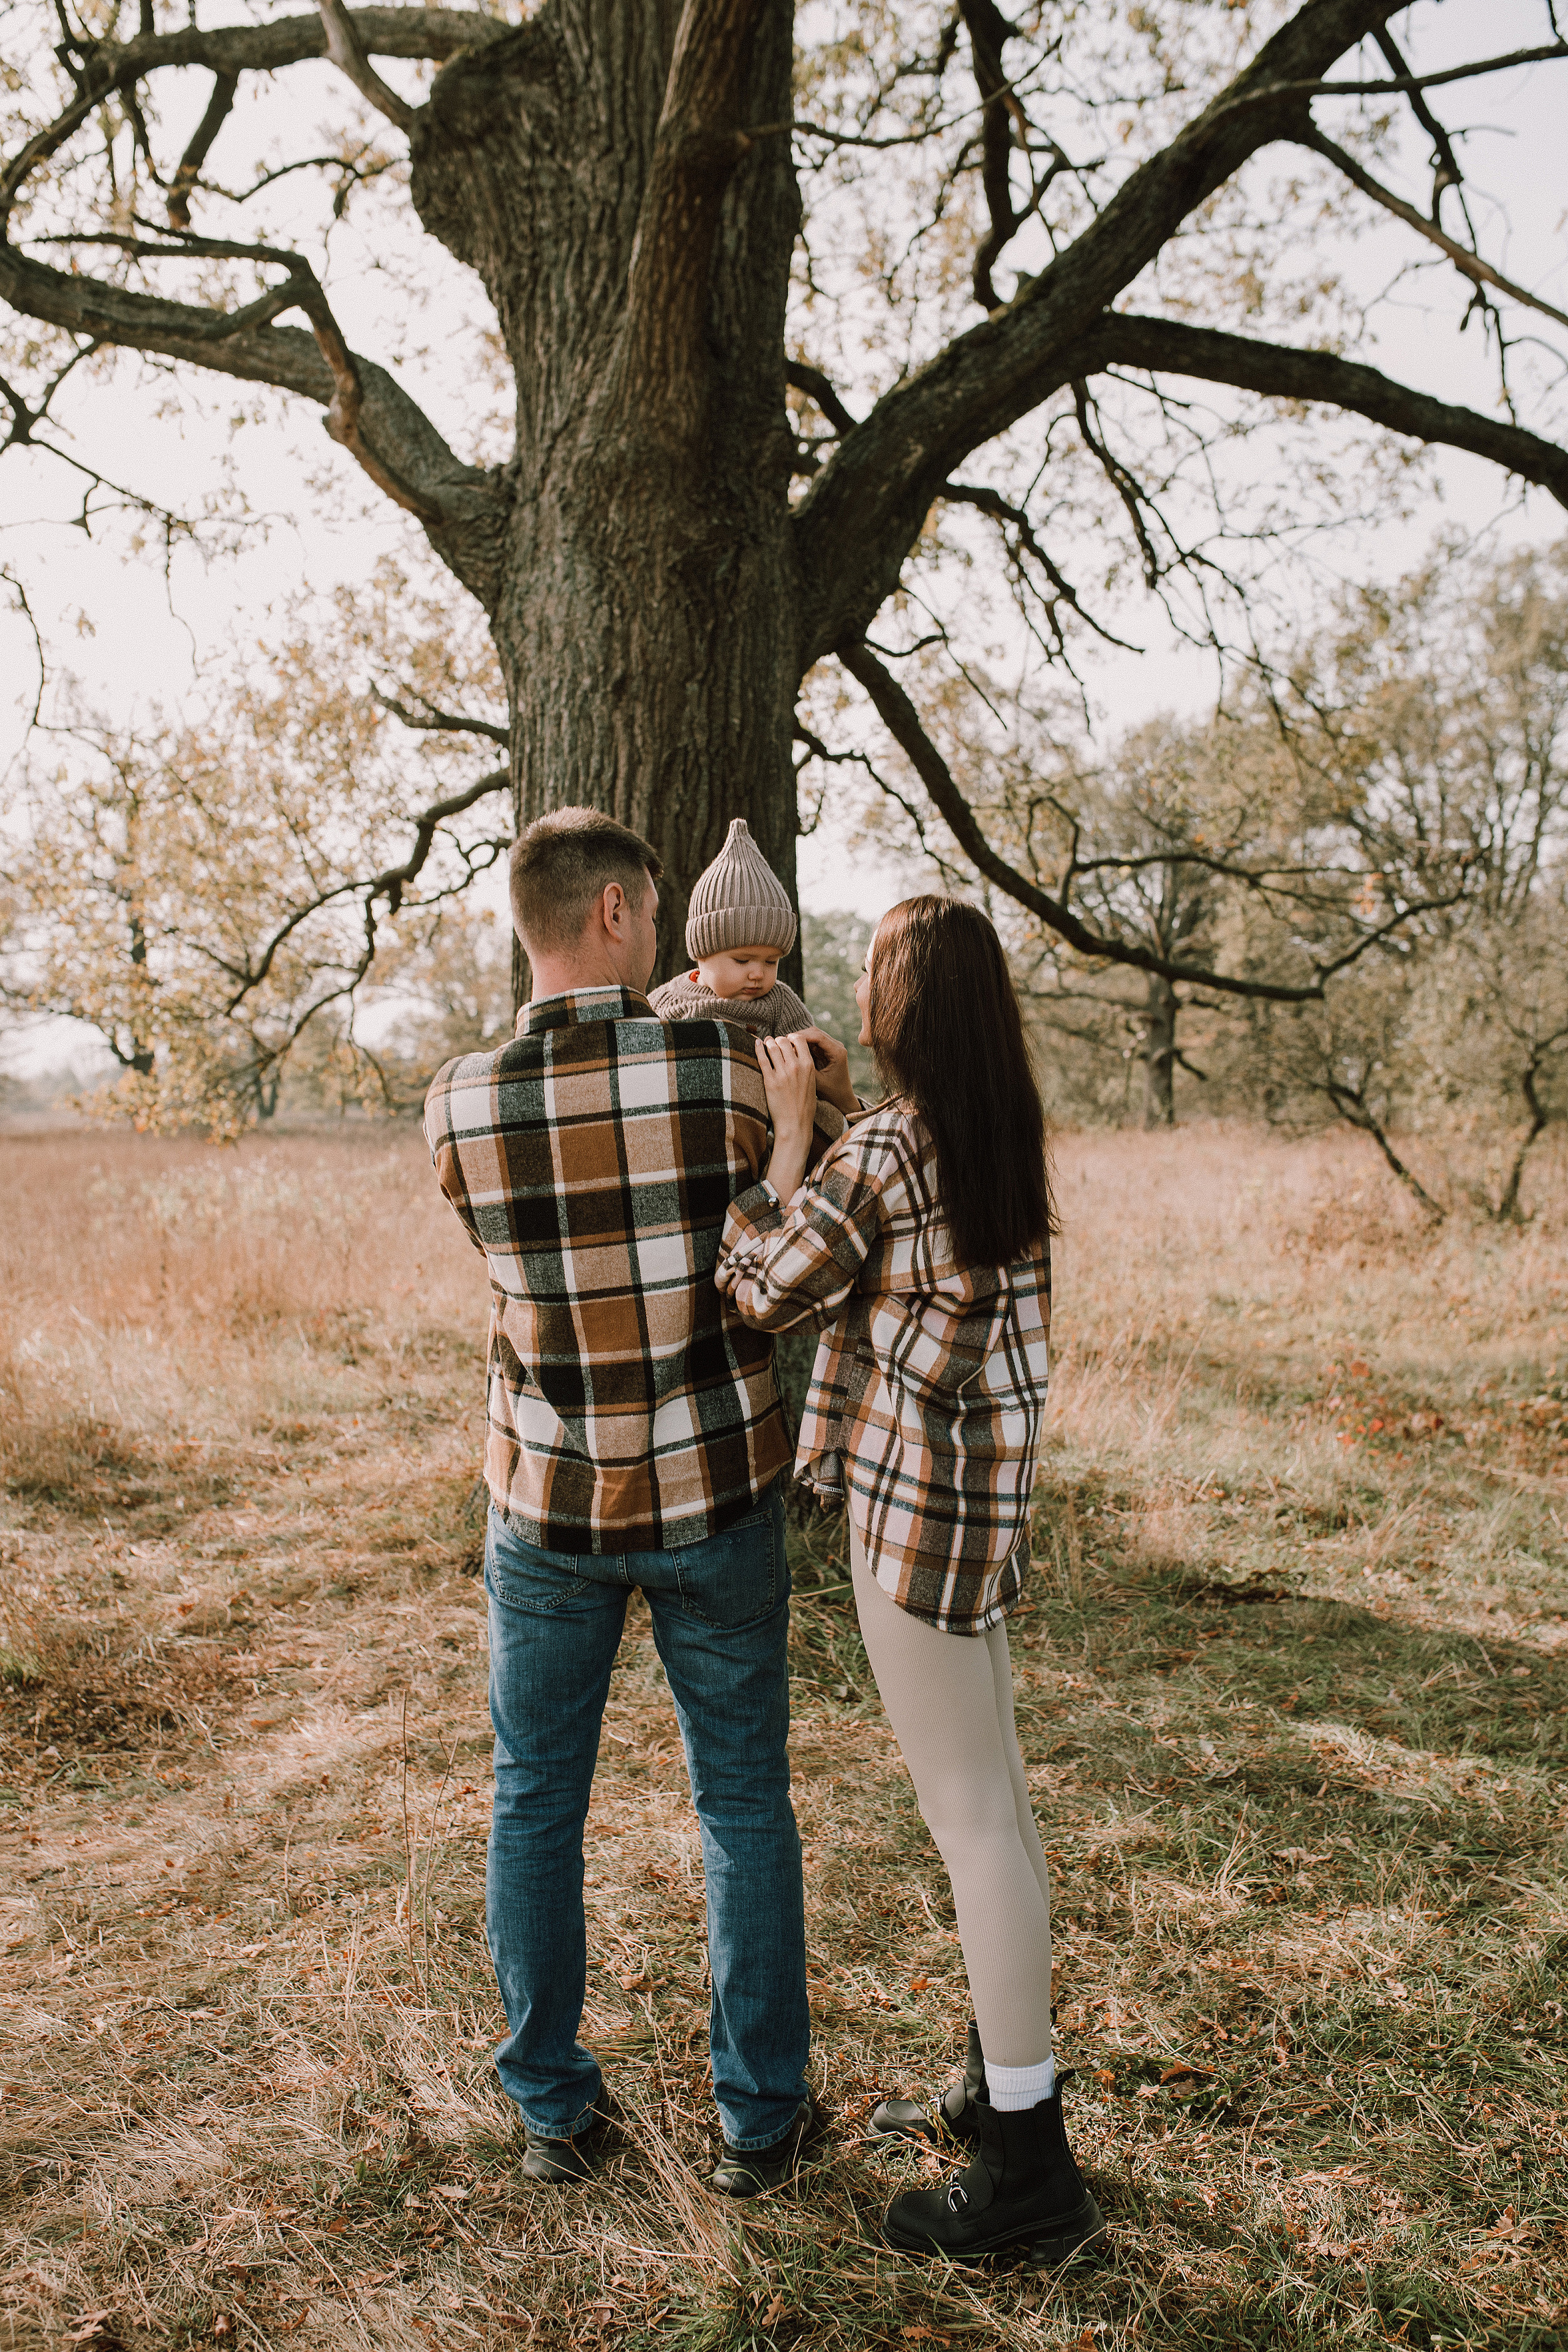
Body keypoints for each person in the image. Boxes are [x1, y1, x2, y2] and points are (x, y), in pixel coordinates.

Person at [423, 807, 857, 2198]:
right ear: (612, 910)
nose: (667, 930)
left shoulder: (456, 1099)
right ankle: (758, 2116)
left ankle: (552, 2106)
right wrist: (794, 1127)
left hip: (545, 1501)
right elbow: (792, 1229)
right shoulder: (723, 1067)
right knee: (739, 1801)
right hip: (711, 1487)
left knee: (534, 1799)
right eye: (655, 906)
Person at [715, 895, 1106, 2266]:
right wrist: (841, 1102)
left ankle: (1026, 2166)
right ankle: (1002, 2083)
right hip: (982, 1512)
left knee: (972, 1830)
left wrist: (792, 1138)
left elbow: (762, 1285)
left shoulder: (877, 1151)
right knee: (995, 1807)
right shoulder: (997, 1133)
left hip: (908, 1523)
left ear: (893, 1013)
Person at [647, 818, 842, 1150]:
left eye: (771, 962)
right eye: (742, 960)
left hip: (768, 1129)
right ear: (702, 953)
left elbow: (809, 1069)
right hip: (689, 1126)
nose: (758, 974)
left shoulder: (780, 1003)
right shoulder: (667, 1001)